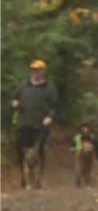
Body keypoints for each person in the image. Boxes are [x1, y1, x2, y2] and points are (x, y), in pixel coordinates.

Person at [11, 59, 58, 189]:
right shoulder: (24, 85)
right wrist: (15, 103)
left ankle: (38, 179)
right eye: (33, 70)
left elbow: (53, 106)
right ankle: (24, 178)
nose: (35, 72)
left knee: (39, 151)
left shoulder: (49, 87)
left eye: (38, 70)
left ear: (43, 71)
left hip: (40, 125)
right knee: (21, 151)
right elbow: (15, 98)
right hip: (24, 123)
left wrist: (49, 117)